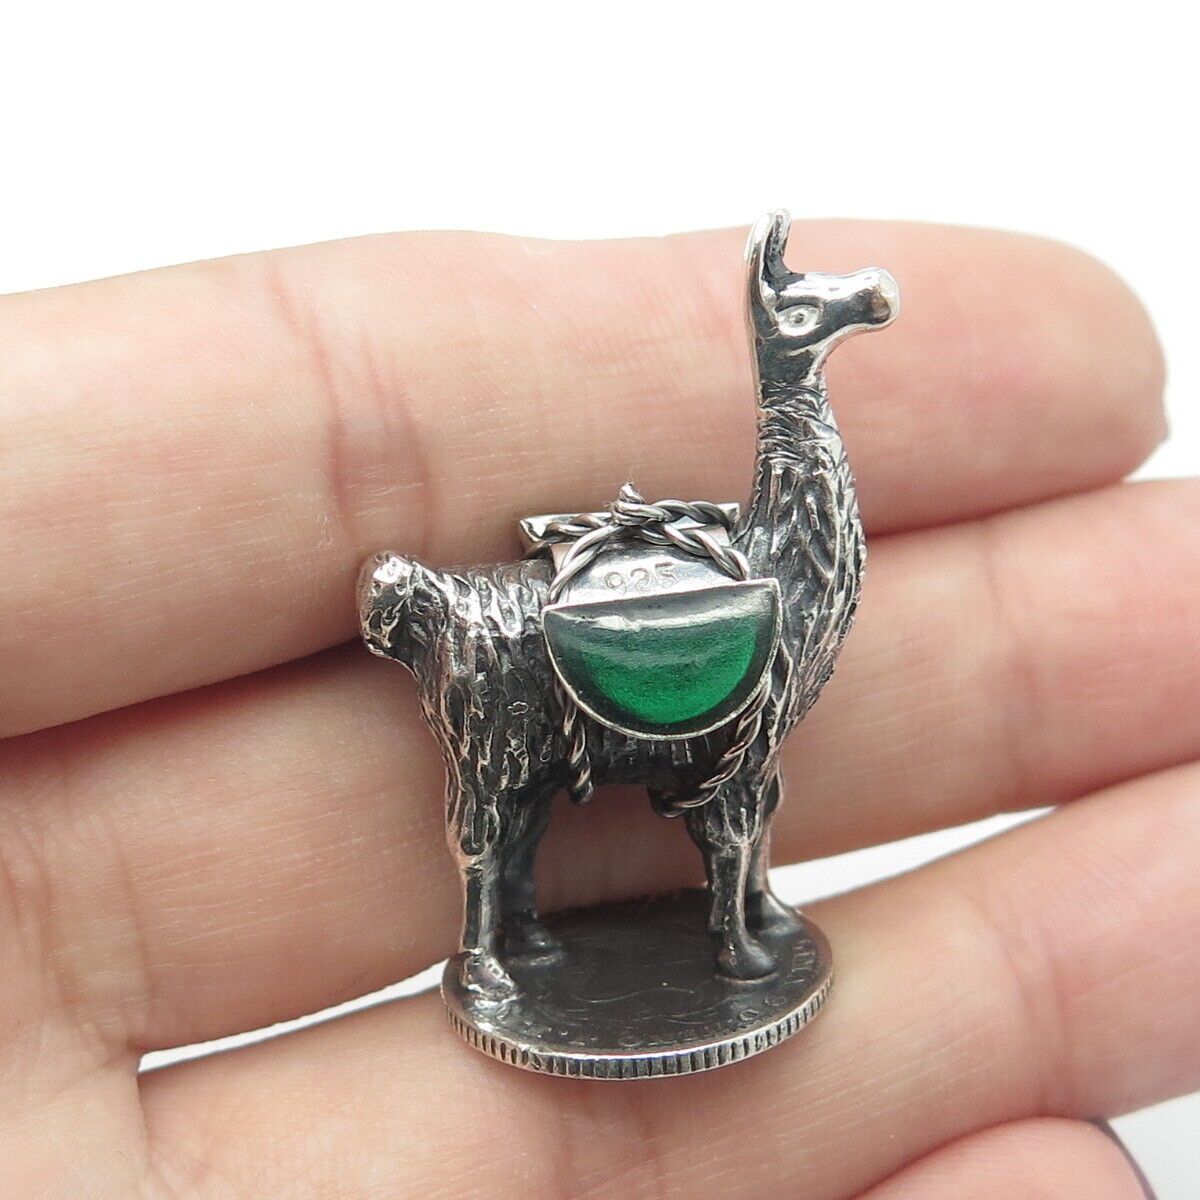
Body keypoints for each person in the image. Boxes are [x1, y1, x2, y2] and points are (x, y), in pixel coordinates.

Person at [0, 219, 1186, 1199]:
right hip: (517, 639)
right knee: (502, 792)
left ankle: (738, 911)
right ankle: (501, 942)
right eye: (804, 312)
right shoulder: (728, 583)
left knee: (734, 757)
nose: (840, 304)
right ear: (778, 344)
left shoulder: (766, 577)